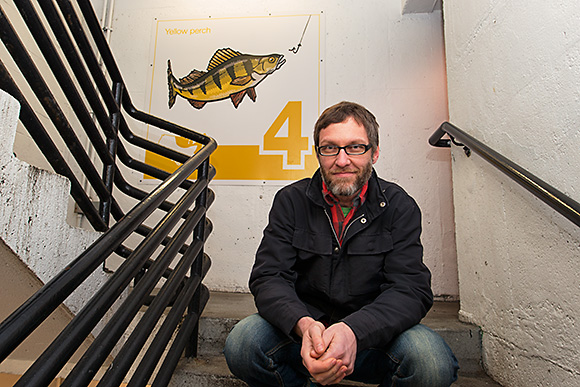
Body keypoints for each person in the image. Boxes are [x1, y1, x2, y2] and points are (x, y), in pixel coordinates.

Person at [224, 101, 459, 386]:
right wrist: (304, 325)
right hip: (307, 339)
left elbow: (410, 289)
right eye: (330, 148)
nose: (342, 159)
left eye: (355, 147)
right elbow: (269, 277)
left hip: (374, 339)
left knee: (431, 362)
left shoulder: (399, 206)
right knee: (243, 343)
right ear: (318, 153)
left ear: (374, 152)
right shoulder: (291, 201)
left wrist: (352, 330)